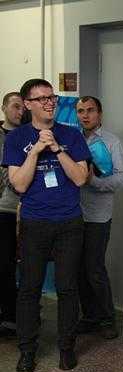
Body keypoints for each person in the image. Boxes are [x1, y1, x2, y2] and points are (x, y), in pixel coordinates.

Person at [1, 79, 90, 372]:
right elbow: (19, 184)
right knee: (29, 288)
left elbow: (80, 178)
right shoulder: (17, 138)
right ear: (28, 104)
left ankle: (67, 348)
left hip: (69, 222)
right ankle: (27, 350)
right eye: (41, 99)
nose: (49, 103)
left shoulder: (72, 134)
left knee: (67, 288)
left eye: (52, 97)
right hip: (34, 223)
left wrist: (57, 149)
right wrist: (35, 151)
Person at [74, 96, 123, 340]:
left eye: (90, 110)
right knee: (78, 269)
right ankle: (90, 317)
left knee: (94, 268)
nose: (85, 115)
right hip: (72, 214)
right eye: (80, 111)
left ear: (100, 113)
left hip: (97, 215)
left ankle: (108, 319)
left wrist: (94, 182)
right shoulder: (72, 139)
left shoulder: (111, 142)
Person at [0, 92, 24, 338]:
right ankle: (8, 315)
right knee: (3, 265)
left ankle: (17, 316)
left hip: (23, 208)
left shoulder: (29, 135)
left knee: (20, 264)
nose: (20, 111)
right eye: (15, 107)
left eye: (22, 107)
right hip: (4, 208)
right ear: (4, 108)